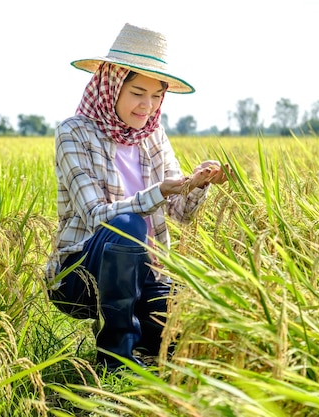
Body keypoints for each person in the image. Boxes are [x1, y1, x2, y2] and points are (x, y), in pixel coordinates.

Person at [45, 23, 229, 371]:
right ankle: (115, 357)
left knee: (182, 336)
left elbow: (179, 214)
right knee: (127, 224)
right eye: (137, 93)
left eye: (157, 96)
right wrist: (155, 193)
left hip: (147, 273)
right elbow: (95, 214)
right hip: (81, 274)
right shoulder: (74, 132)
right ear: (113, 83)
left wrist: (197, 184)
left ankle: (141, 342)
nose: (147, 105)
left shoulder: (153, 136)